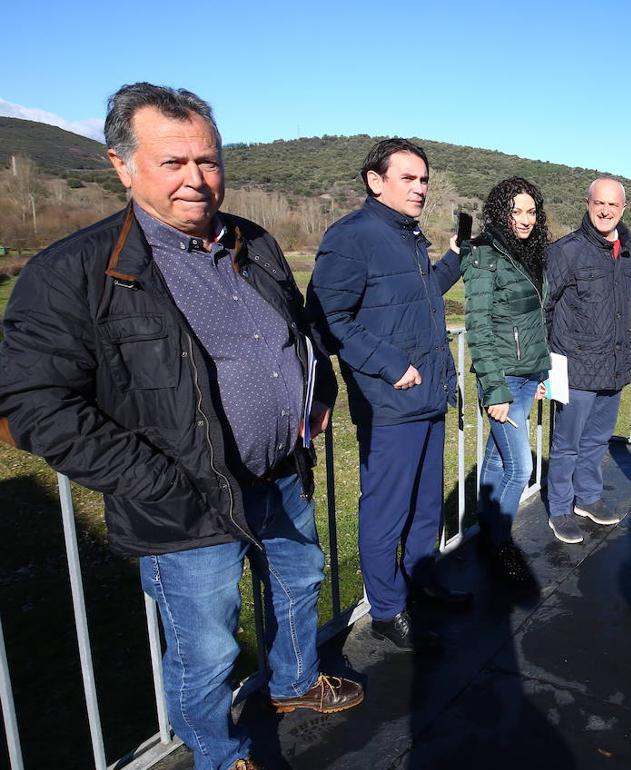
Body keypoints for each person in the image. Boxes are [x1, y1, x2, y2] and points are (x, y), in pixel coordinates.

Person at [0, 83, 361, 770]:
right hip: (183, 505)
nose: (197, 178)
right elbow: (34, 403)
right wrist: (154, 479)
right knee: (209, 648)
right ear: (122, 165)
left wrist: (317, 388)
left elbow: (295, 331)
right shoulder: (75, 272)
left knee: (298, 581)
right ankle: (217, 753)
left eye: (209, 159)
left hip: (280, 473)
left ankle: (291, 683)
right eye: (173, 163)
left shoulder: (252, 241)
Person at [307, 139, 471, 653]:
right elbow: (327, 317)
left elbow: (414, 296)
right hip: (389, 402)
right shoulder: (353, 237)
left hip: (427, 396)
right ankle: (386, 610)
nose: (420, 187)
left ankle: (420, 582)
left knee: (426, 508)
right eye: (409, 178)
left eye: (424, 179)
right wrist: (389, 363)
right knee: (386, 512)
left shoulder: (407, 236)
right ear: (375, 182)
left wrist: (454, 258)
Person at [460, 177, 550, 587]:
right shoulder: (485, 255)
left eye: (531, 211)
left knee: (497, 460)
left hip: (527, 375)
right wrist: (493, 391)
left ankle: (488, 533)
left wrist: (541, 371)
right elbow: (477, 326)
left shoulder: (529, 253)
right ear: (501, 211)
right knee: (521, 467)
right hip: (504, 380)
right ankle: (501, 547)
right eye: (516, 211)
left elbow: (532, 321)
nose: (525, 219)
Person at [542, 178, 631, 543]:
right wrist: (546, 365)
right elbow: (544, 308)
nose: (605, 210)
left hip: (613, 368)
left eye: (613, 205)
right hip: (575, 368)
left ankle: (589, 498)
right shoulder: (565, 251)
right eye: (599, 203)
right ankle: (562, 509)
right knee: (566, 443)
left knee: (597, 440)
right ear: (587, 203)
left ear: (623, 209)